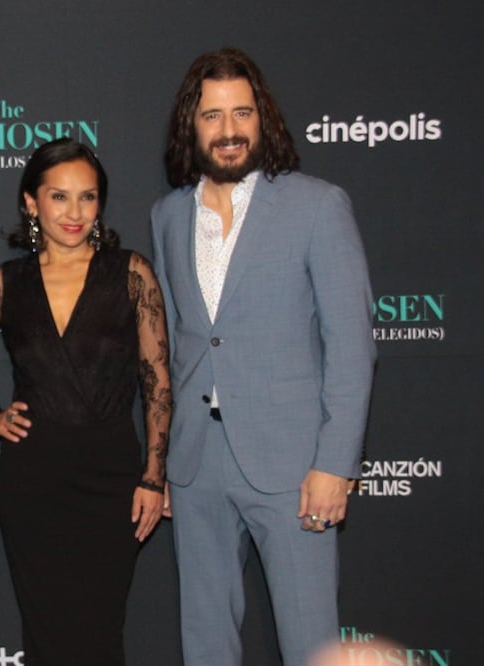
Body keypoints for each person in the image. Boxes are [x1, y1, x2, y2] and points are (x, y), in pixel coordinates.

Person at [150, 48, 376, 666]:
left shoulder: (316, 205)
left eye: (241, 112)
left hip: (294, 463)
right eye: (212, 115)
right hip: (196, 463)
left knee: (310, 641)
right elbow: (175, 342)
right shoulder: (168, 216)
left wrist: (335, 464)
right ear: (190, 127)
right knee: (205, 640)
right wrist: (165, 459)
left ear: (263, 118)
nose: (229, 130)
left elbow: (352, 345)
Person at [0, 138, 171, 666]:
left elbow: (157, 377)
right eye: (59, 197)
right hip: (33, 479)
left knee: (101, 631)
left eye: (88, 197)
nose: (75, 212)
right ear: (31, 202)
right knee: (45, 633)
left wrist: (154, 475)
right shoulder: (6, 283)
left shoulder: (131, 274)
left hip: (112, 476)